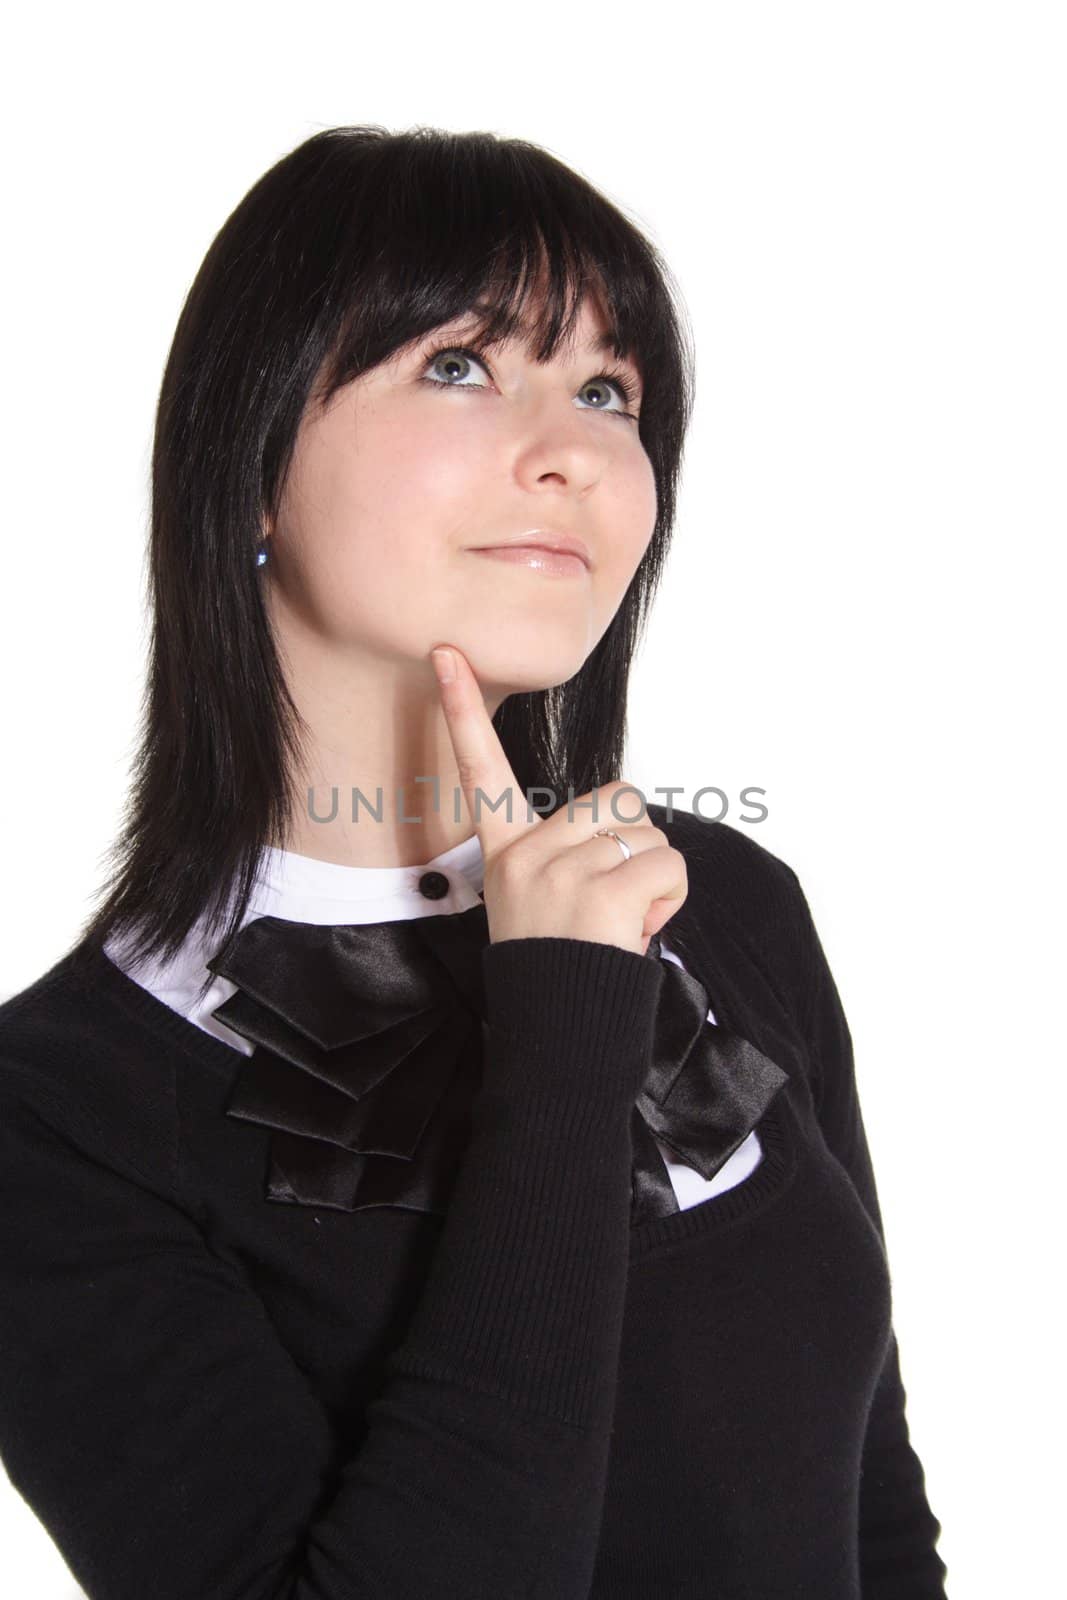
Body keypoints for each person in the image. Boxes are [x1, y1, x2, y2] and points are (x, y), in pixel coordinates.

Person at [0, 123, 948, 1598]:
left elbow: (876, 1517)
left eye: (608, 388)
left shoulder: (721, 902)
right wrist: (563, 1027)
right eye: (459, 364)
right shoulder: (56, 1115)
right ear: (251, 466)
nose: (571, 449)